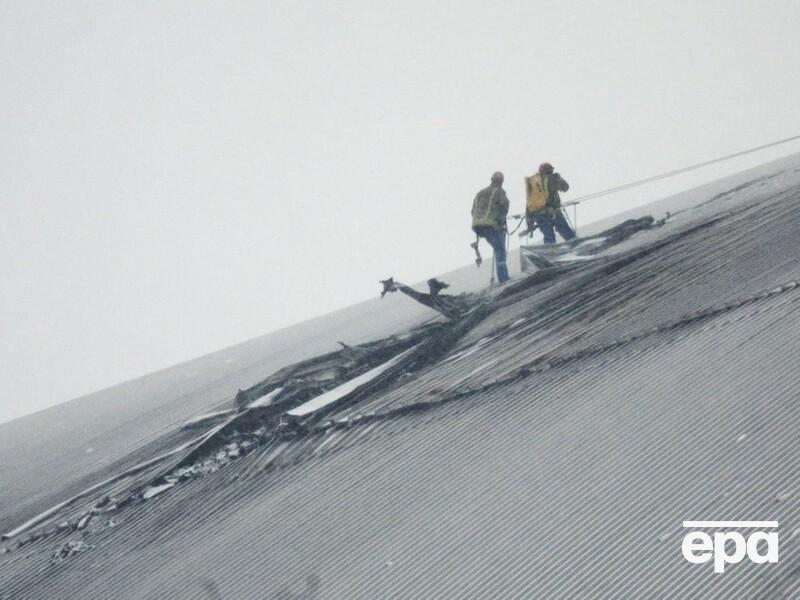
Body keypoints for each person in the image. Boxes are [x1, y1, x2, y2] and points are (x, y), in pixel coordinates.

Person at [471, 171, 510, 283]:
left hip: (478, 227)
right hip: (492, 226)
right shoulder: (500, 192)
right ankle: (504, 279)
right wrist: (500, 222)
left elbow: (473, 211)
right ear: (501, 182)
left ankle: (502, 277)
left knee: (497, 248)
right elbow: (504, 207)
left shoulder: (479, 193)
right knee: (500, 250)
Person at [525, 162, 575, 244]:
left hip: (539, 215)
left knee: (548, 237)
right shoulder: (551, 178)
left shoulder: (533, 184)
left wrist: (529, 221)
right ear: (550, 170)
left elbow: (529, 204)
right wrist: (558, 178)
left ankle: (549, 249)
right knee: (567, 233)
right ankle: (575, 245)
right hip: (554, 212)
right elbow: (565, 188)